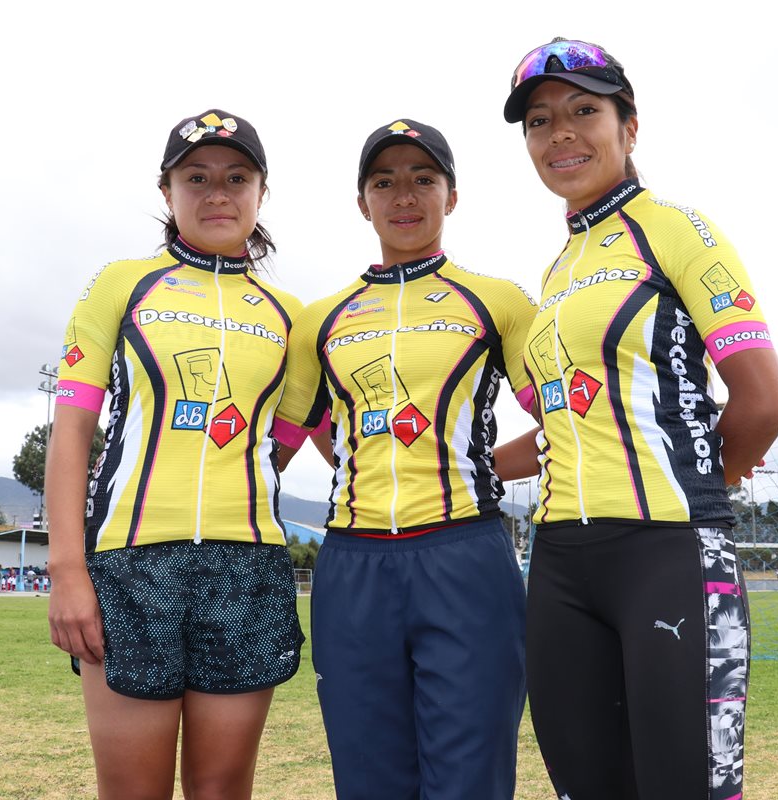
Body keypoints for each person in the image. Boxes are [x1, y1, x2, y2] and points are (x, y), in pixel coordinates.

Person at [502, 39, 778, 800]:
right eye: (539, 121)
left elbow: (763, 403)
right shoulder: (558, 271)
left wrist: (696, 482)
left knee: (683, 788)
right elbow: (577, 424)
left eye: (584, 111)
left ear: (630, 127)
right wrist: (472, 467)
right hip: (559, 564)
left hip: (667, 552)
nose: (560, 133)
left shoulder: (678, 230)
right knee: (586, 786)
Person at [45, 109, 304, 800]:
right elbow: (70, 431)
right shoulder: (120, 284)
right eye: (197, 178)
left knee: (222, 792)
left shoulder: (290, 314)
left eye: (236, 178)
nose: (217, 193)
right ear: (167, 191)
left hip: (247, 569)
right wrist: (68, 569)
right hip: (130, 566)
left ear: (261, 191)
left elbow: (302, 428)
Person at [274, 119, 536, 800]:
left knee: (469, 778)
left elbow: (567, 427)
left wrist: (474, 469)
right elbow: (285, 440)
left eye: (424, 179)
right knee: (368, 780)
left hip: (465, 559)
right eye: (384, 182)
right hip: (352, 567)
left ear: (453, 196)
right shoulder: (322, 317)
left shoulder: (499, 301)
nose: (405, 196)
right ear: (362, 202)